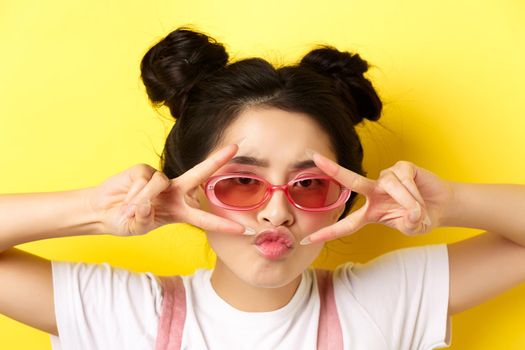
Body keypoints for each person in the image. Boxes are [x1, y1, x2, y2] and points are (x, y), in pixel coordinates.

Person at [1, 27, 525, 350]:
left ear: (346, 196)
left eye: (311, 184)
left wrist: (449, 202)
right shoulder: (124, 314)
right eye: (242, 182)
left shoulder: (382, 302)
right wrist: (93, 211)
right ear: (196, 190)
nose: (276, 213)